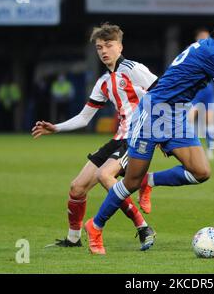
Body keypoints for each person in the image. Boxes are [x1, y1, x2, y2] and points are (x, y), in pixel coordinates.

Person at [83, 16, 214, 255]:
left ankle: (149, 181)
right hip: (154, 112)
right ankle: (96, 225)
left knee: (201, 172)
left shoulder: (208, 48)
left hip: (177, 115)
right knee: (130, 182)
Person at [31, 23, 157, 252]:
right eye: (99, 47)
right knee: (77, 188)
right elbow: (84, 117)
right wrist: (56, 128)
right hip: (119, 138)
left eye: (108, 45)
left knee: (104, 175)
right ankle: (73, 238)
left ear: (120, 46)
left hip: (139, 138)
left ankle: (143, 227)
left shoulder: (133, 69)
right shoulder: (103, 82)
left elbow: (163, 88)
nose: (103, 51)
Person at [188, 28, 214, 160]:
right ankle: (190, 150)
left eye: (206, 38)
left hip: (208, 92)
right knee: (188, 120)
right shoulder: (191, 52)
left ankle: (210, 150)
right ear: (197, 39)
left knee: (209, 121)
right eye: (202, 38)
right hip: (195, 92)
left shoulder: (212, 53)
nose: (204, 41)